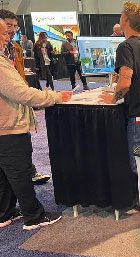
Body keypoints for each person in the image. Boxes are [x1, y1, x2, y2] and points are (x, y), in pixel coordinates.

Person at [0, 19, 72, 230]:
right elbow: (20, 93)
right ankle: (34, 216)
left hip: (6, 125)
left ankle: (5, 212)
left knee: (5, 173)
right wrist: (55, 97)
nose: (8, 36)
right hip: (8, 127)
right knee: (19, 172)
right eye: (4, 33)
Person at [99, 1, 140, 207]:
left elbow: (125, 81)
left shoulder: (125, 46)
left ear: (125, 20)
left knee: (139, 162)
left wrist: (113, 97)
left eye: (120, 15)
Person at [0, 9, 50, 185]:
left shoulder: (15, 48)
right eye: (8, 27)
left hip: (17, 100)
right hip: (6, 110)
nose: (12, 31)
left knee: (22, 144)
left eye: (14, 26)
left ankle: (30, 170)